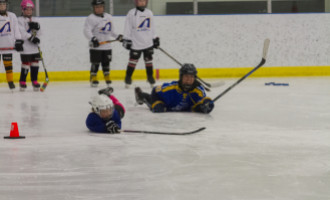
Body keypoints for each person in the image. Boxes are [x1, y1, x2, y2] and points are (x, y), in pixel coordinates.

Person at [135, 64, 214, 113]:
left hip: (183, 108)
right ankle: (140, 95)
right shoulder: (171, 87)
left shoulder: (198, 90)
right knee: (153, 104)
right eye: (186, 76)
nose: (189, 79)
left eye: (191, 77)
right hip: (166, 105)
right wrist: (157, 103)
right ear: (181, 77)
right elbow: (155, 90)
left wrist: (207, 104)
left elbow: (202, 101)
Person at [83, 0, 123, 88]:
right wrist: (93, 39)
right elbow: (87, 31)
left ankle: (107, 76)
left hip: (107, 46)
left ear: (104, 7)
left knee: (106, 63)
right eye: (97, 7)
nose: (99, 9)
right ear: (93, 8)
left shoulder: (109, 17)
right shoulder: (91, 18)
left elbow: (111, 31)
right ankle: (93, 77)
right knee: (95, 63)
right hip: (96, 47)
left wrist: (118, 36)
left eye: (101, 7)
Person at [122, 0, 160, 88]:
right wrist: (127, 39)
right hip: (136, 43)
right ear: (136, 2)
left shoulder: (149, 13)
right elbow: (127, 27)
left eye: (144, 1)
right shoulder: (131, 13)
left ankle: (150, 77)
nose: (142, 3)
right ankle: (128, 77)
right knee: (132, 62)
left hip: (148, 43)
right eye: (140, 1)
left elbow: (152, 27)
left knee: (149, 61)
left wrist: (155, 38)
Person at [17, 0, 42, 91]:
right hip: (26, 47)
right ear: (22, 10)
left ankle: (34, 80)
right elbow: (22, 33)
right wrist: (31, 38)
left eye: (30, 9)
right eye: (26, 9)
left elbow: (40, 32)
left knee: (35, 64)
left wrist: (37, 34)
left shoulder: (36, 19)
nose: (29, 11)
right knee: (26, 64)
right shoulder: (20, 20)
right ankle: (22, 81)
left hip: (35, 48)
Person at [0, 0, 24, 91]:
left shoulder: (12, 16)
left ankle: (10, 82)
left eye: (4, 4)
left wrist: (18, 40)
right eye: (0, 4)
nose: (2, 6)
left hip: (8, 44)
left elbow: (16, 29)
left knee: (8, 66)